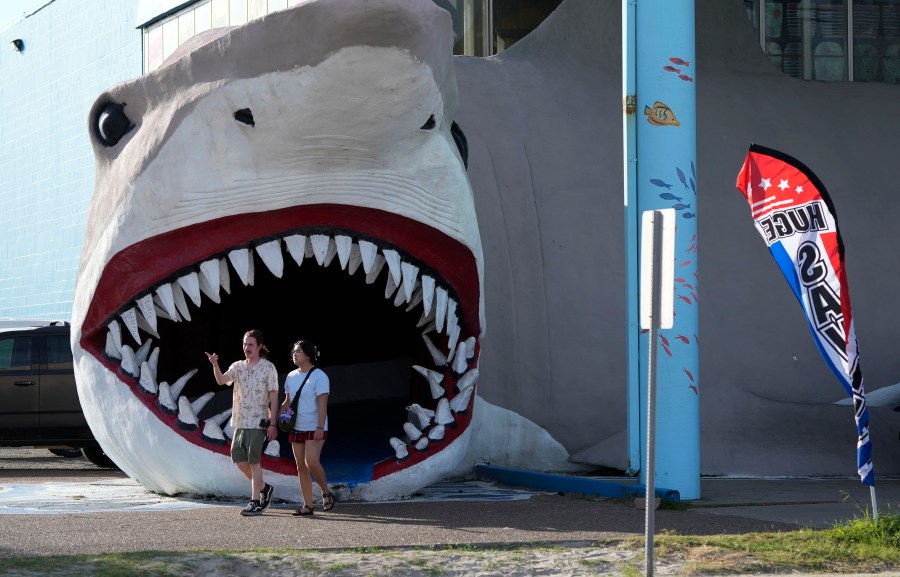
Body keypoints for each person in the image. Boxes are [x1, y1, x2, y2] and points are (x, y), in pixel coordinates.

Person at [205, 329, 279, 516]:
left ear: (260, 346)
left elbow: (274, 396)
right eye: (245, 344)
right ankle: (264, 488)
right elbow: (222, 381)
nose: (246, 348)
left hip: (258, 421)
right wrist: (215, 364)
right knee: (238, 461)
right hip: (240, 421)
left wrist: (273, 423)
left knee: (254, 461)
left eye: (250, 344)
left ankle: (254, 501)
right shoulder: (237, 366)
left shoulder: (268, 368)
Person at [280, 340, 333, 516]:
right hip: (297, 426)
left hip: (315, 425)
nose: (294, 355)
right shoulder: (291, 376)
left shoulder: (319, 376)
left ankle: (326, 492)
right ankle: (308, 505)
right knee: (300, 467)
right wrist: (274, 416)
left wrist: (320, 427)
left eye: (298, 352)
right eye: (293, 352)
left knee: (311, 462)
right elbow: (287, 402)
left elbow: (323, 404)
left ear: (308, 355)